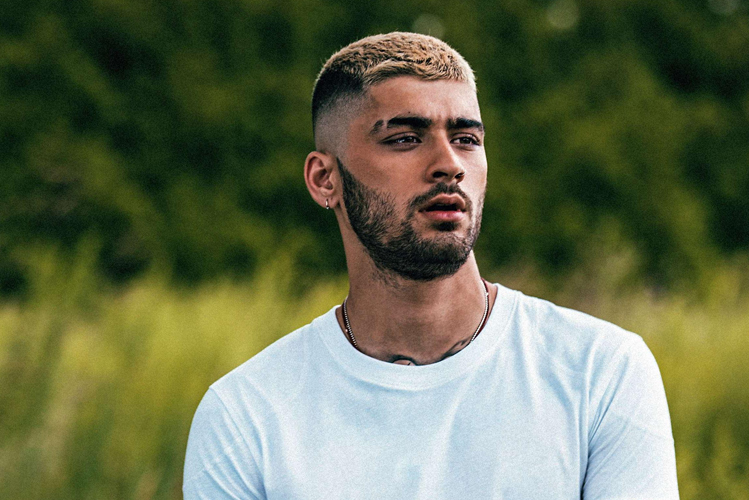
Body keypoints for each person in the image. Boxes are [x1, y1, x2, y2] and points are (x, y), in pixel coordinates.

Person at [183, 32, 679, 499]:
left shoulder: (598, 373)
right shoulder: (247, 416)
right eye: (405, 138)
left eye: (466, 139)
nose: (449, 164)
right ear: (324, 179)